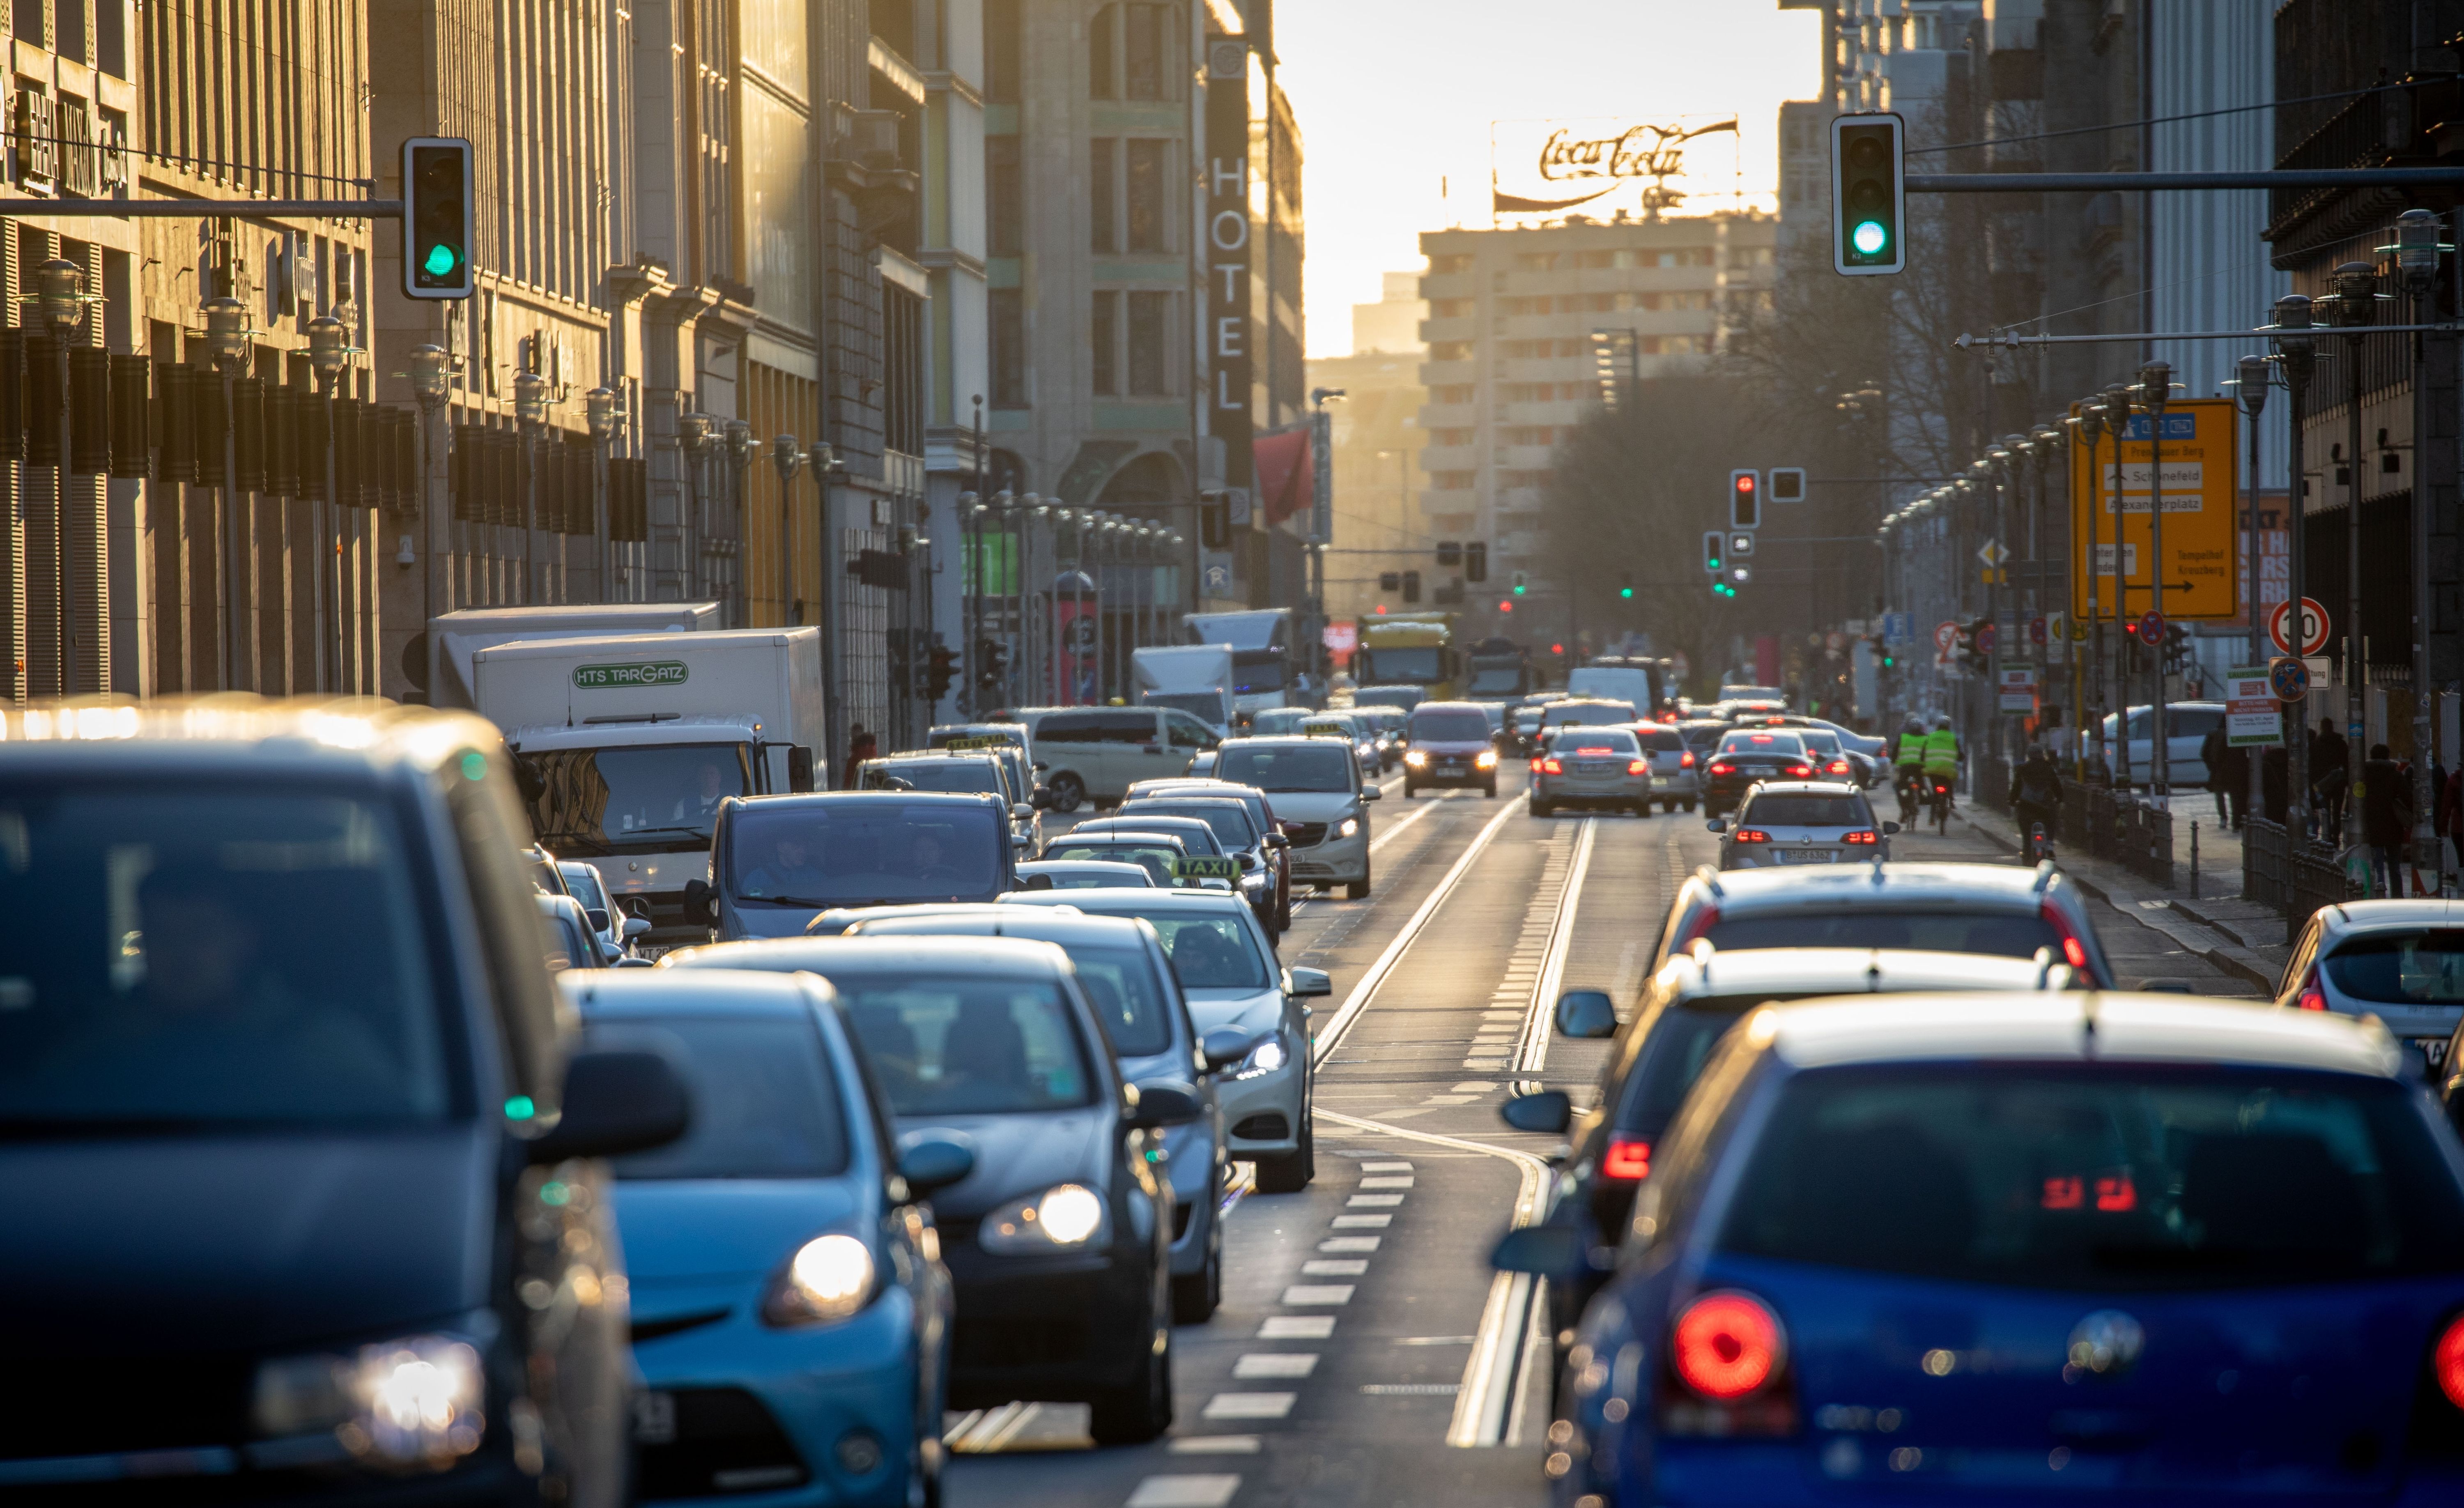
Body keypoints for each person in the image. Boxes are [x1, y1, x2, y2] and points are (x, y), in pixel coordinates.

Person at [2359, 742, 2411, 895]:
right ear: (2388, 756)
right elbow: (2408, 798)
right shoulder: (2396, 775)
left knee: (2377, 864)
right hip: (2393, 825)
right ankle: (2397, 895)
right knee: (2395, 867)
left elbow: (2356, 797)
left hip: (2372, 825)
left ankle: (2379, 894)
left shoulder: (2363, 775)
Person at [2008, 747, 2064, 861]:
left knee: (2026, 831)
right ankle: (2049, 846)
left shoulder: (2023, 769)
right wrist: (2060, 799)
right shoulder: (2048, 768)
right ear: (2042, 755)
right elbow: (2057, 787)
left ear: (2029, 755)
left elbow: (2016, 788)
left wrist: (2012, 801)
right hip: (2045, 808)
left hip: (2026, 808)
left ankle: (2027, 849)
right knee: (2052, 821)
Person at [2310, 716, 2350, 843]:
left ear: (2321, 728)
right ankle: (2336, 837)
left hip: (2323, 782)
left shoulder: (2317, 744)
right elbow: (2347, 763)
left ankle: (2327, 837)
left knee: (2325, 810)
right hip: (2338, 781)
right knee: (2337, 811)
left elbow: (2313, 765)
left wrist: (2314, 781)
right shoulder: (2341, 743)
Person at [1920, 714, 1962, 809]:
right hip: (1947, 770)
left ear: (1938, 726)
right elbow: (1960, 753)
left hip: (1933, 770)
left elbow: (1923, 752)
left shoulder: (1930, 737)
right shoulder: (1953, 737)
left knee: (1935, 788)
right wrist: (1960, 758)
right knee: (1949, 783)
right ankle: (1951, 800)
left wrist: (1923, 761)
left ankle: (1932, 816)